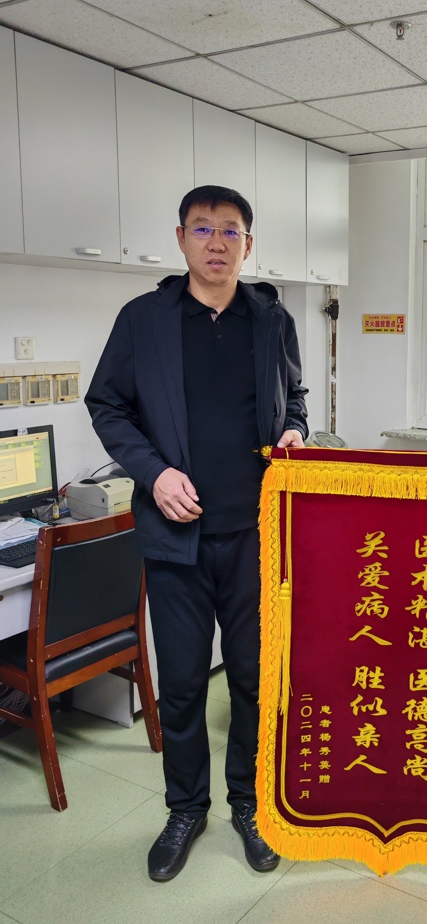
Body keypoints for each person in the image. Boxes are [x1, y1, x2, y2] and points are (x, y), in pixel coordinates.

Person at [85, 185, 308, 882]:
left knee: (252, 681)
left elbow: (296, 398)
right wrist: (153, 474)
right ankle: (185, 808)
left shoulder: (271, 319)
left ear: (249, 243)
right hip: (175, 540)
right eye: (203, 228)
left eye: (231, 230)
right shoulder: (144, 320)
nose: (217, 242)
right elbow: (107, 404)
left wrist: (295, 431)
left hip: (254, 538)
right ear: (180, 238)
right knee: (181, 684)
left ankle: (249, 803)